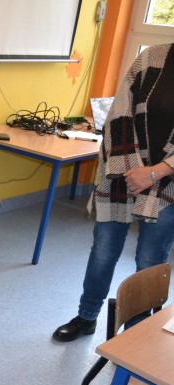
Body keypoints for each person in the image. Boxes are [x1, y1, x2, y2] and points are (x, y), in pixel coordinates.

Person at [53, 42, 174, 342]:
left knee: (149, 262)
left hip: (168, 184)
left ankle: (135, 335)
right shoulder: (152, 57)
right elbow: (119, 112)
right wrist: (132, 170)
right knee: (103, 252)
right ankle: (86, 316)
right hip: (122, 173)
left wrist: (156, 172)